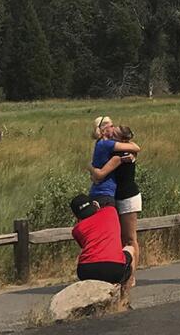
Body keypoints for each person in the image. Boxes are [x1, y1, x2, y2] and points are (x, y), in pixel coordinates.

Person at [89, 124, 143, 280]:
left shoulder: (119, 155)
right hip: (118, 196)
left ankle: (131, 275)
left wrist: (89, 167)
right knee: (121, 238)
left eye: (115, 134)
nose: (111, 135)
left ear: (121, 140)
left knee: (130, 238)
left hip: (128, 197)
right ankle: (123, 271)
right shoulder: (122, 152)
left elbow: (99, 174)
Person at [69, 194, 132, 293]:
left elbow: (85, 246)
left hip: (86, 270)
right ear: (94, 204)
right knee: (130, 248)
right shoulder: (111, 211)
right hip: (114, 268)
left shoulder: (77, 230)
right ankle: (125, 292)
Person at [88, 116, 139, 210]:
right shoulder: (108, 144)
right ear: (104, 131)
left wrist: (90, 167)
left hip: (97, 191)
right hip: (105, 193)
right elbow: (136, 147)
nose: (114, 128)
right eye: (111, 126)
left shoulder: (100, 143)